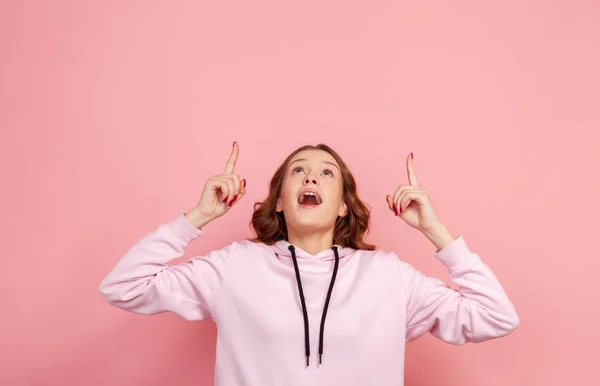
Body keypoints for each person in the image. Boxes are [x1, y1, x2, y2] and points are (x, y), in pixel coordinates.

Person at [99, 142, 519, 386]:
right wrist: (196, 218)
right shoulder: (234, 266)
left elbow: (495, 316)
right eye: (297, 171)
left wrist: (435, 230)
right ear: (280, 200)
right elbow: (123, 286)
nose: (311, 178)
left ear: (342, 207)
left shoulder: (389, 275)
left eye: (326, 173)